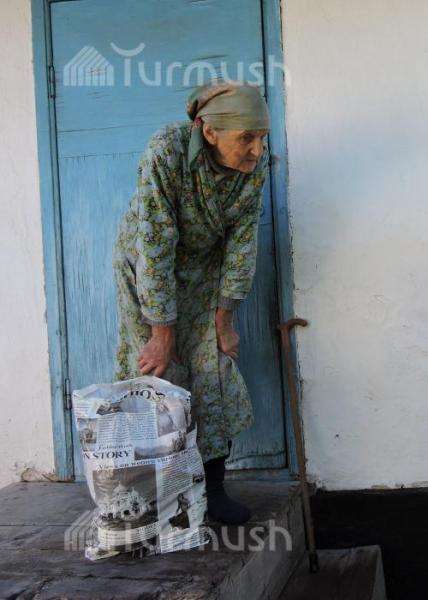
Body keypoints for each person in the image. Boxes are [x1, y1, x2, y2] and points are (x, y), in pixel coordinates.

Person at [113, 80, 271, 525]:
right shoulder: (166, 150)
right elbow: (155, 245)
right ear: (209, 131)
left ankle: (212, 492)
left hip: (204, 270)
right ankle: (159, 499)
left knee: (213, 370)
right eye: (247, 137)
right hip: (146, 270)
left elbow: (242, 243)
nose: (257, 150)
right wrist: (161, 332)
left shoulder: (253, 166)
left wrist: (225, 320)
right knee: (159, 372)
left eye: (262, 137)